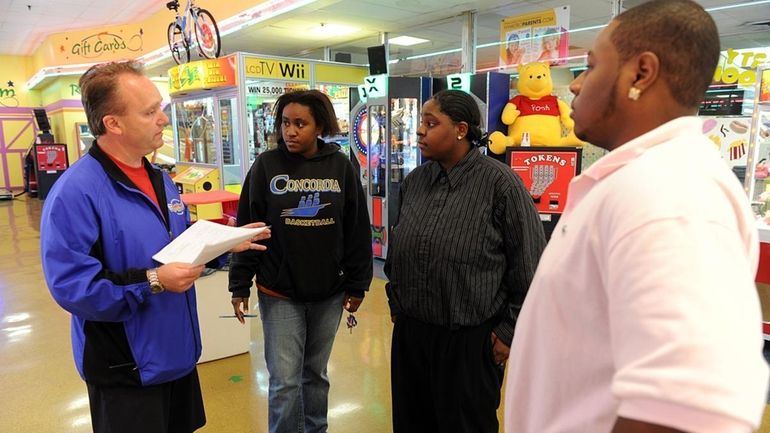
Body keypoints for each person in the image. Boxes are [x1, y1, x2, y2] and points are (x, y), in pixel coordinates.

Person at [504, 1, 770, 432]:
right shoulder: (643, 180)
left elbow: (688, 409)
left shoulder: (669, 192)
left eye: (590, 67)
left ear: (640, 74)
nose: (574, 86)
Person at [39, 60, 270, 433]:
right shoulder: (76, 192)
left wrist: (226, 243)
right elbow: (72, 288)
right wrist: (153, 281)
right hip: (124, 367)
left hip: (176, 352)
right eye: (150, 111)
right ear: (113, 123)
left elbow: (175, 247)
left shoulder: (161, 180)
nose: (163, 119)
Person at [385, 89, 547, 433]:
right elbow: (398, 246)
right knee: (412, 422)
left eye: (431, 124)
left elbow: (530, 266)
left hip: (469, 342)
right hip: (413, 336)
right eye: (421, 123)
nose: (419, 132)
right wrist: (396, 301)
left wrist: (508, 331)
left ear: (460, 129)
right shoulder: (414, 182)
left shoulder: (501, 184)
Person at [228, 89, 373, 433]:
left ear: (319, 125)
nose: (290, 131)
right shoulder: (266, 166)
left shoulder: (340, 167)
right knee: (284, 381)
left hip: (330, 292)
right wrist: (239, 283)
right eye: (285, 123)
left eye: (300, 124)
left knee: (315, 375)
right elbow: (248, 229)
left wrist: (358, 283)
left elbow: (356, 229)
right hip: (280, 292)